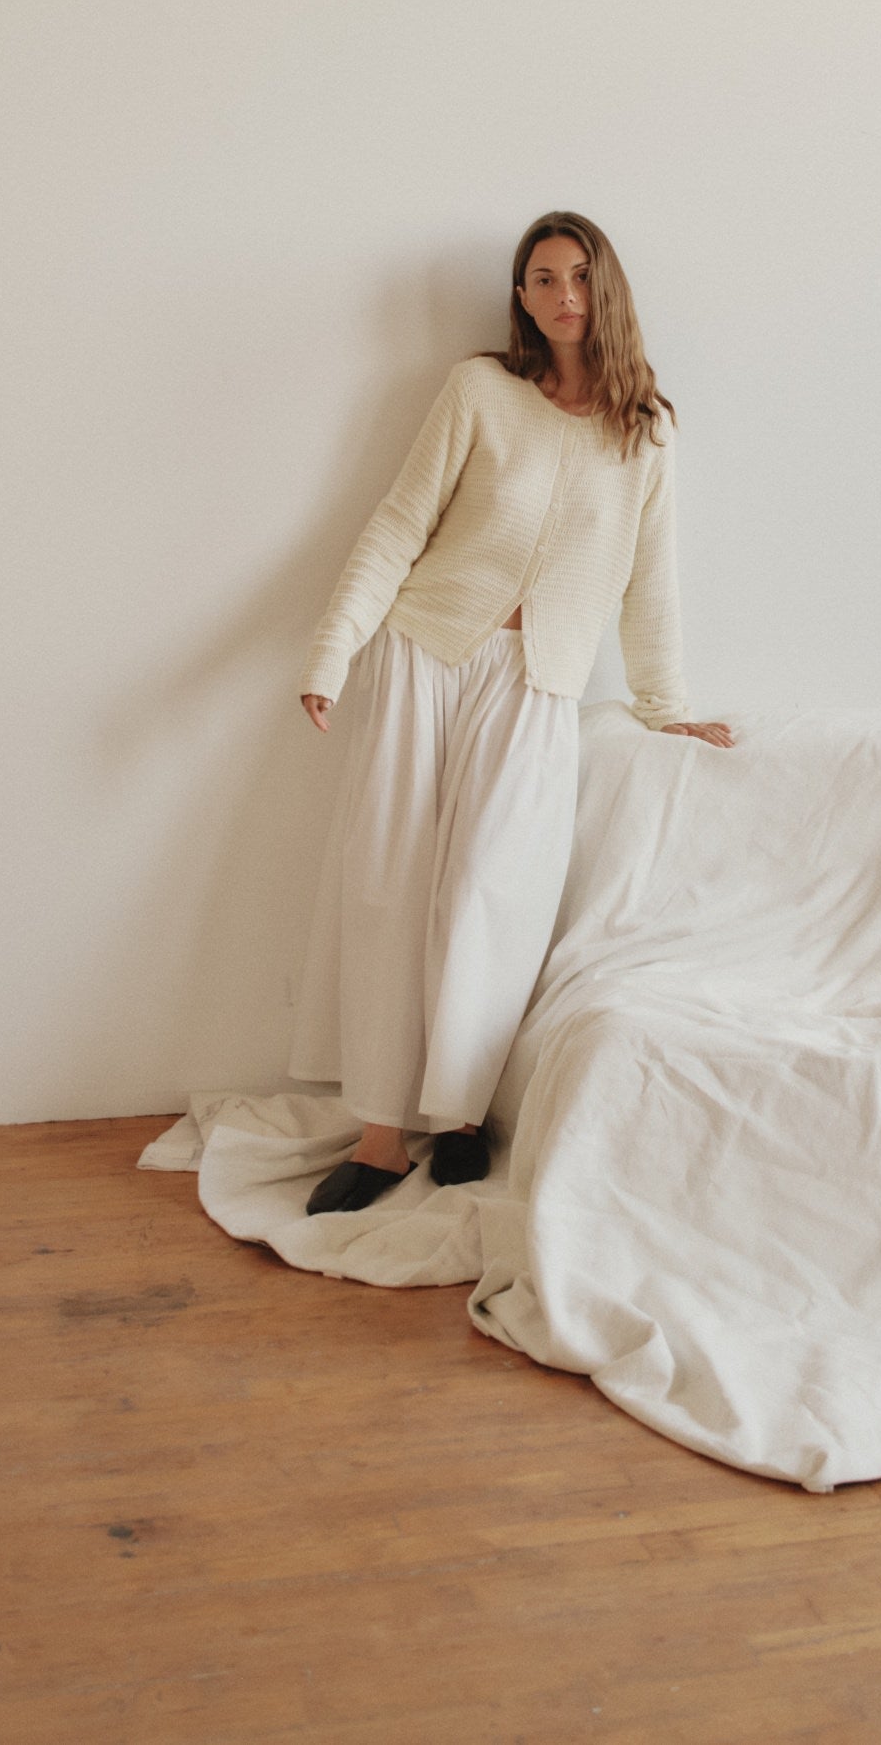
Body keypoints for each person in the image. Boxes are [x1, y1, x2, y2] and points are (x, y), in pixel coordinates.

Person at [291, 211, 736, 1214]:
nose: (562, 294)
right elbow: (398, 525)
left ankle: (458, 1114)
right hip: (425, 654)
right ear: (522, 297)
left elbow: (650, 584)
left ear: (605, 288)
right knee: (390, 883)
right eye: (542, 278)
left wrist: (667, 707)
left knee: (491, 894)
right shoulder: (478, 391)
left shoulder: (645, 430)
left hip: (539, 681)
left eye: (578, 275)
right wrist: (334, 650)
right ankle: (380, 1137)